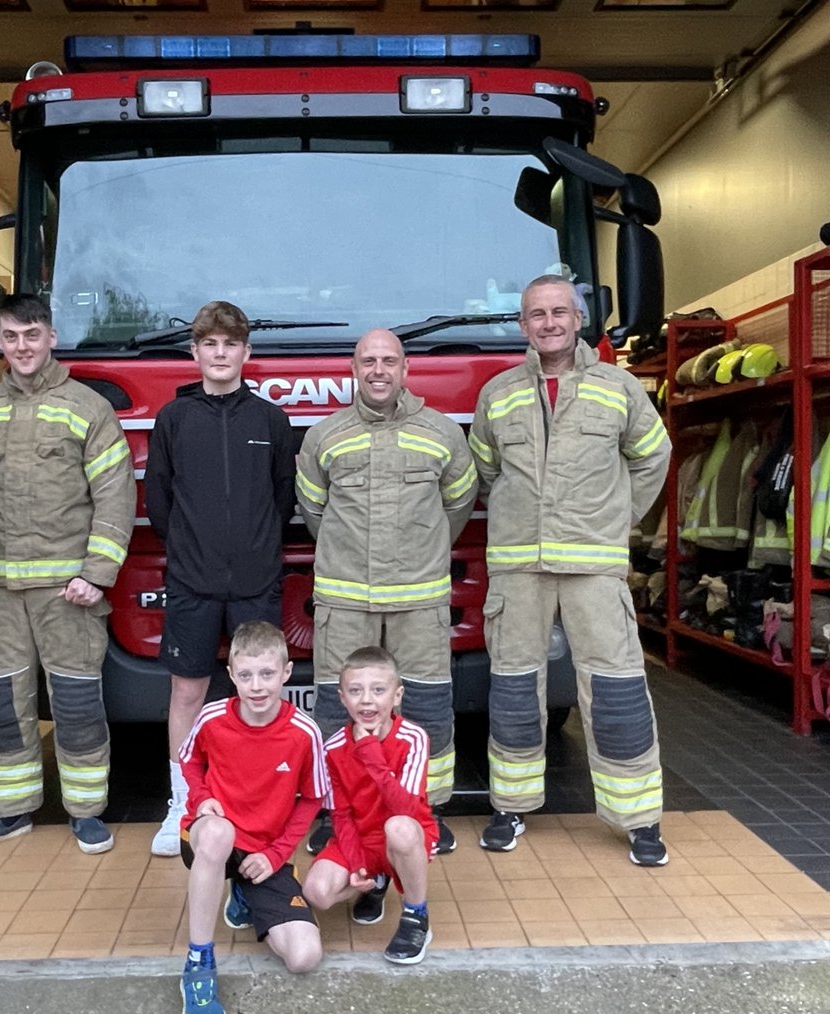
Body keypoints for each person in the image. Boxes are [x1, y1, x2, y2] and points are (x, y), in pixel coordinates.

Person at [468, 274, 672, 866]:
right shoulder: (498, 393)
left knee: (616, 687)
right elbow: (485, 469)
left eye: (560, 312)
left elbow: (653, 455)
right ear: (523, 324)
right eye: (537, 314)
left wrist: (617, 518)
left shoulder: (619, 387)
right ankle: (510, 806)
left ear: (579, 319)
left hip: (593, 564)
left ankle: (638, 819)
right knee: (511, 685)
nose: (549, 322)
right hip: (518, 566)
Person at [0, 293, 135, 856]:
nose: (22, 346)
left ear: (51, 337)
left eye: (32, 334)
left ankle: (85, 813)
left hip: (67, 592)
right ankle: (10, 813)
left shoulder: (87, 408)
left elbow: (115, 495)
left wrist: (97, 574)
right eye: (10, 336)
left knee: (78, 704)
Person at [295, 329, 477, 855]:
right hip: (345, 599)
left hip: (419, 598)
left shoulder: (442, 433)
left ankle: (427, 811)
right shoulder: (325, 436)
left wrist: (422, 547)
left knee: (426, 706)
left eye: (389, 361)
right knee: (338, 708)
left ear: (405, 369)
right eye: (369, 360)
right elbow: (313, 508)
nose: (379, 370)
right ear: (354, 369)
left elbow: (458, 502)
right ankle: (336, 812)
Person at [144, 301, 295, 858]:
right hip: (192, 582)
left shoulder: (271, 421)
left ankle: (259, 807)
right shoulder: (174, 420)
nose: (220, 353)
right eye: (210, 344)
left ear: (246, 353)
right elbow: (159, 501)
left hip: (256, 583)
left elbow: (283, 501)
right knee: (188, 690)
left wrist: (252, 549)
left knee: (258, 692)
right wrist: (193, 549)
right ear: (196, 353)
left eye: (231, 344)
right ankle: (182, 806)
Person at [178, 621, 324, 1014]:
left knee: (305, 956)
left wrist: (276, 855)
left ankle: (245, 892)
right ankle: (198, 964)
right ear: (232, 676)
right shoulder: (212, 718)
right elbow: (189, 761)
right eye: (245, 675)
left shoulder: (304, 732)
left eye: (266, 674)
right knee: (219, 834)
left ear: (286, 672)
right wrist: (200, 799)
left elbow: (312, 799)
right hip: (210, 836)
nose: (256, 686)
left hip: (264, 851)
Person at [303, 646, 437, 965]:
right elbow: (341, 814)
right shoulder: (333, 747)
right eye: (355, 691)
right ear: (342, 698)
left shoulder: (413, 737)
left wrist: (370, 754)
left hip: (404, 834)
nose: (367, 700)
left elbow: (405, 807)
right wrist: (356, 862)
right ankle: (373, 882)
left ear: (397, 695)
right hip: (361, 837)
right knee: (316, 891)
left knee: (399, 829)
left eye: (379, 690)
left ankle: (416, 916)